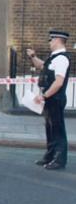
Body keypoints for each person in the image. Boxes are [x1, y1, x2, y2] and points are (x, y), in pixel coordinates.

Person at [26, 30, 71, 170]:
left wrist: (44, 96)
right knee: (50, 129)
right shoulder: (54, 57)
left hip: (55, 98)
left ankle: (59, 160)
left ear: (57, 40)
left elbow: (58, 82)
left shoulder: (62, 59)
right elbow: (41, 66)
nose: (50, 42)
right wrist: (33, 56)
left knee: (57, 130)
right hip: (50, 99)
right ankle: (50, 156)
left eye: (51, 40)